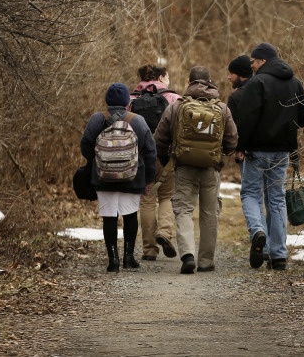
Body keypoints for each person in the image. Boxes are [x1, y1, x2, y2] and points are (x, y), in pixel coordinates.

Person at [234, 43, 304, 271]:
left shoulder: (257, 83)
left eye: (254, 61)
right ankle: (278, 255)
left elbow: (246, 119)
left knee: (251, 193)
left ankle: (259, 233)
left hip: (256, 150)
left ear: (263, 61)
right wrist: (287, 127)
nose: (251, 65)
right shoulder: (295, 82)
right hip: (282, 152)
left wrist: (241, 146)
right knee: (276, 199)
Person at [154, 66, 238, 274]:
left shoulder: (177, 106)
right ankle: (206, 262)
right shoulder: (222, 108)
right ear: (210, 82)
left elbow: (159, 139)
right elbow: (232, 140)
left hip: (183, 167)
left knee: (183, 210)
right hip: (211, 167)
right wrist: (220, 154)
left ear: (189, 82)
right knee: (210, 214)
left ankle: (187, 256)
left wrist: (167, 159)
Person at [80, 82, 156, 273]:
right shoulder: (137, 120)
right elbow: (150, 151)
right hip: (132, 176)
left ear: (107, 101)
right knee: (130, 215)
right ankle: (128, 257)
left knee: (109, 218)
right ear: (127, 101)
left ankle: (112, 259)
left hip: (103, 177)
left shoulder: (97, 119)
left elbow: (86, 145)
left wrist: (97, 162)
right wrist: (149, 178)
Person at [129, 63, 180, 261]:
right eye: (167, 77)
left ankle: (149, 250)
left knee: (147, 199)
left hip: (141, 157)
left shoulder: (131, 99)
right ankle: (165, 233)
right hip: (167, 156)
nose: (168, 81)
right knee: (167, 196)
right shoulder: (174, 98)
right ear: (160, 78)